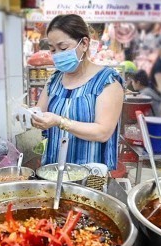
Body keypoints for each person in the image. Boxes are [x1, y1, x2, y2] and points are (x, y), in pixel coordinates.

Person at [30, 14, 124, 169]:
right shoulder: (54, 80)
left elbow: (103, 132)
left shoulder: (107, 81)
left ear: (84, 43)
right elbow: (40, 112)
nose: (57, 55)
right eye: (53, 49)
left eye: (63, 47)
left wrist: (59, 121)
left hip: (89, 176)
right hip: (53, 170)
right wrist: (30, 116)